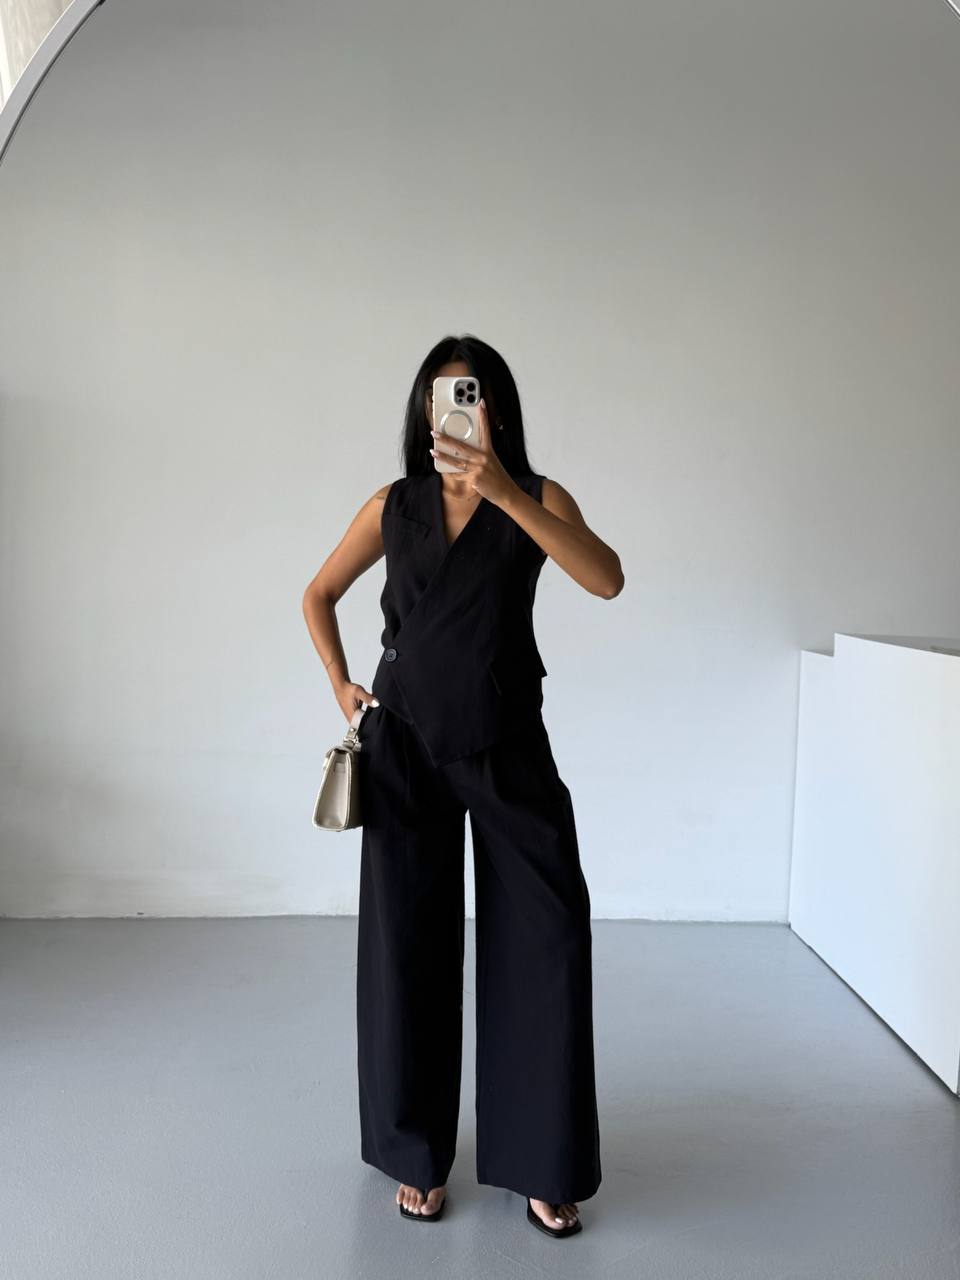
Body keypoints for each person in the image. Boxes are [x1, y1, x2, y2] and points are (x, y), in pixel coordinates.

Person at [302, 334, 624, 1236]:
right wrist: (340, 684)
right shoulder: (393, 504)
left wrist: (505, 492)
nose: (456, 409)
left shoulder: (537, 497)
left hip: (506, 738)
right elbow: (317, 594)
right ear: (423, 411)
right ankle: (415, 1153)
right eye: (442, 395)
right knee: (406, 945)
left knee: (546, 936)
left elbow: (607, 580)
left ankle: (541, 1160)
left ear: (497, 411)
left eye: (471, 394)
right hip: (403, 740)